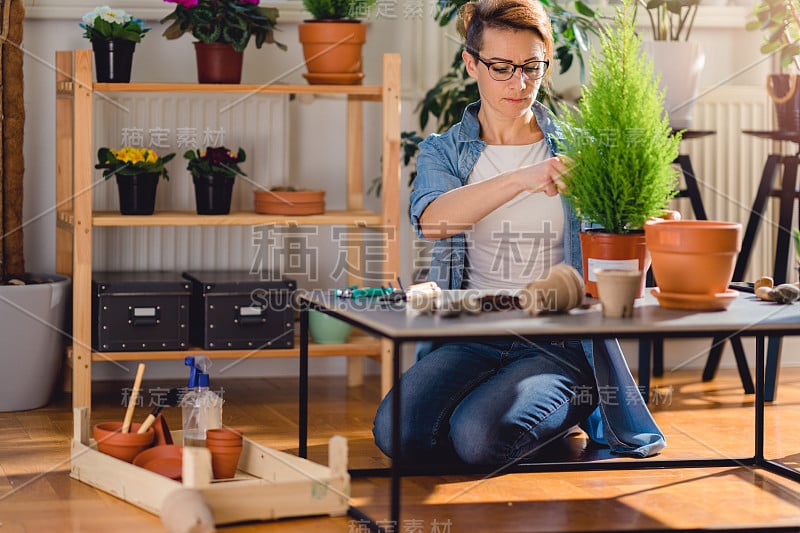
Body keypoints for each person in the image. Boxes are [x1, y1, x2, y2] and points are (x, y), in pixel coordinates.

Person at [372, 0, 666, 466]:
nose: (519, 83)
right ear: (471, 63)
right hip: (470, 332)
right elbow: (433, 221)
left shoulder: (579, 151)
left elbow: (620, 266)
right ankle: (520, 409)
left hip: (559, 340)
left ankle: (568, 400)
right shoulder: (444, 151)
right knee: (396, 432)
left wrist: (637, 223)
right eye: (502, 67)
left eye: (532, 67)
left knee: (478, 439)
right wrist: (522, 179)